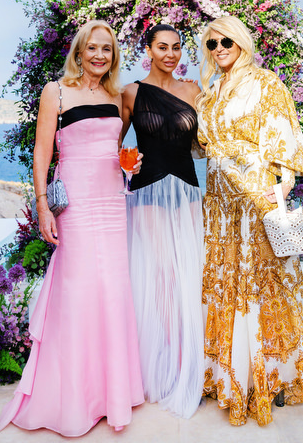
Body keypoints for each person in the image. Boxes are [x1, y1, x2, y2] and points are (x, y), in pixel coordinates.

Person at [0, 20, 144, 436]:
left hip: (113, 200)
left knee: (112, 290)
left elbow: (115, 150)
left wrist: (130, 165)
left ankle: (110, 392)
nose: (100, 55)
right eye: (93, 48)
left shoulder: (117, 96)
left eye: (108, 50)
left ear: (113, 56)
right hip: (75, 203)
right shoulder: (55, 91)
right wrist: (42, 205)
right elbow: (42, 150)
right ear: (79, 51)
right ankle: (75, 397)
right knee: (78, 290)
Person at [196, 15, 303, 427]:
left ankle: (269, 378)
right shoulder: (210, 92)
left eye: (225, 41)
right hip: (219, 199)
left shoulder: (266, 84)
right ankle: (232, 378)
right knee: (227, 282)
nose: (219, 50)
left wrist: (283, 186)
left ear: (242, 42)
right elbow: (200, 146)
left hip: (254, 193)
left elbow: (284, 134)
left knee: (260, 283)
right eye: (212, 44)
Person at [121, 24, 204, 419]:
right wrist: (122, 161)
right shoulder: (131, 92)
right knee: (162, 275)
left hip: (187, 190)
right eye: (162, 47)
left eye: (176, 47)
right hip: (149, 190)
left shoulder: (193, 91)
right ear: (149, 50)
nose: (170, 54)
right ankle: (169, 367)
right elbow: (109, 141)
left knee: (192, 273)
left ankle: (192, 364)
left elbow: (212, 143)